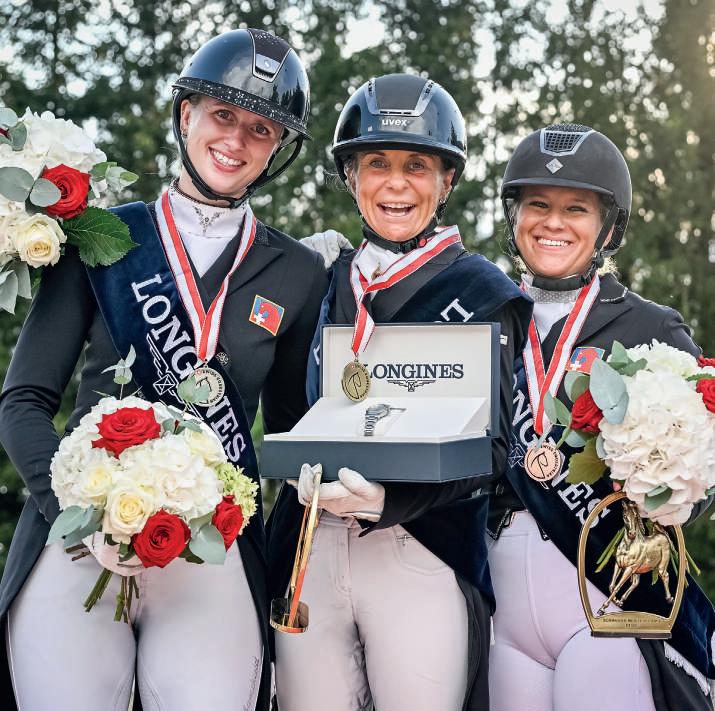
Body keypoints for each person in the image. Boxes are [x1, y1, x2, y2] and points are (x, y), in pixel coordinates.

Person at [0, 28, 328, 711]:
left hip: (211, 555)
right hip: (79, 539)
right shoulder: (100, 236)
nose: (236, 141)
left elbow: (293, 436)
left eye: (261, 129)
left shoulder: (298, 271)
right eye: (223, 115)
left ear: (277, 147)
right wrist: (77, 512)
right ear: (186, 114)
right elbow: (24, 399)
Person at [267, 73, 532, 711]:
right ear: (351, 174)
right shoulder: (323, 279)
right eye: (376, 163)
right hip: (311, 550)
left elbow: (496, 453)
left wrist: (391, 499)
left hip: (422, 547)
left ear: (447, 180)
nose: (395, 184)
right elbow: (287, 416)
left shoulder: (483, 293)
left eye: (416, 166)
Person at [487, 123, 715, 711]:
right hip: (500, 602)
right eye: (538, 205)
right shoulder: (483, 318)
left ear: (608, 226)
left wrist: (673, 504)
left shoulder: (651, 326)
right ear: (515, 216)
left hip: (604, 597)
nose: (553, 223)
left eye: (576, 209)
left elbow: (705, 461)